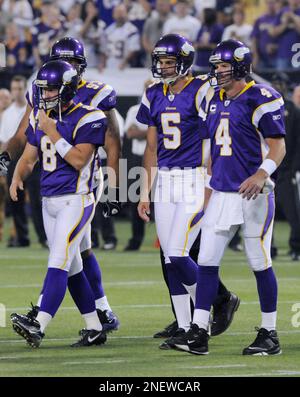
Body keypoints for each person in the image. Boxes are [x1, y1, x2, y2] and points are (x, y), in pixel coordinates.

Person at [172, 39, 286, 356]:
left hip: (254, 194)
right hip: (221, 192)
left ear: (239, 67)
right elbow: (213, 155)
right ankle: (199, 331)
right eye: (217, 66)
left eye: (223, 66)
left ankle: (270, 333)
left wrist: (262, 174)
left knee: (259, 262)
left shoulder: (260, 97)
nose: (218, 71)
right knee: (207, 261)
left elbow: (278, 146)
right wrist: (207, 192)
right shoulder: (214, 100)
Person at [0, 37, 121, 332]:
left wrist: (115, 184)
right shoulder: (43, 96)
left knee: (65, 253)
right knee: (79, 253)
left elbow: (113, 141)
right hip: (53, 187)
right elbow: (26, 139)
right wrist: (9, 161)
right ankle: (97, 320)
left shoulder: (95, 99)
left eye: (71, 64)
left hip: (83, 183)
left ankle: (41, 317)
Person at [137, 34, 239, 349]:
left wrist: (211, 183)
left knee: (180, 254)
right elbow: (151, 147)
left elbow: (215, 138)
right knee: (170, 259)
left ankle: (203, 318)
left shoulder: (202, 90)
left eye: (169, 62)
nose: (164, 67)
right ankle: (185, 327)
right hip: (165, 181)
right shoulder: (153, 93)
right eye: (161, 62)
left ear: (183, 62)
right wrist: (144, 191)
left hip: (194, 179)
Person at [271, 72, 300, 261]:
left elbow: (298, 142)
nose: (278, 86)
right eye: (276, 83)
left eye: (281, 83)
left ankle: (296, 246)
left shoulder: (293, 110)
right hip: (267, 168)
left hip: (287, 168)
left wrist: (295, 168)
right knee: (263, 213)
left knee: (293, 211)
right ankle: (269, 247)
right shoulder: (263, 107)